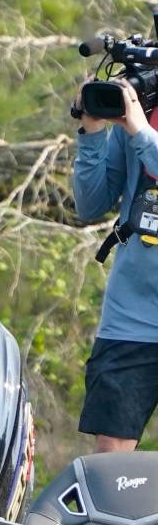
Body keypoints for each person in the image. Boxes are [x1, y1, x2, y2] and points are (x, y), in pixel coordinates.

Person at [72, 74, 158, 453]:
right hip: (131, 317)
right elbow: (91, 204)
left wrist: (140, 132)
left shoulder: (138, 123)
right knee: (111, 461)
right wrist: (92, 132)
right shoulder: (142, 110)